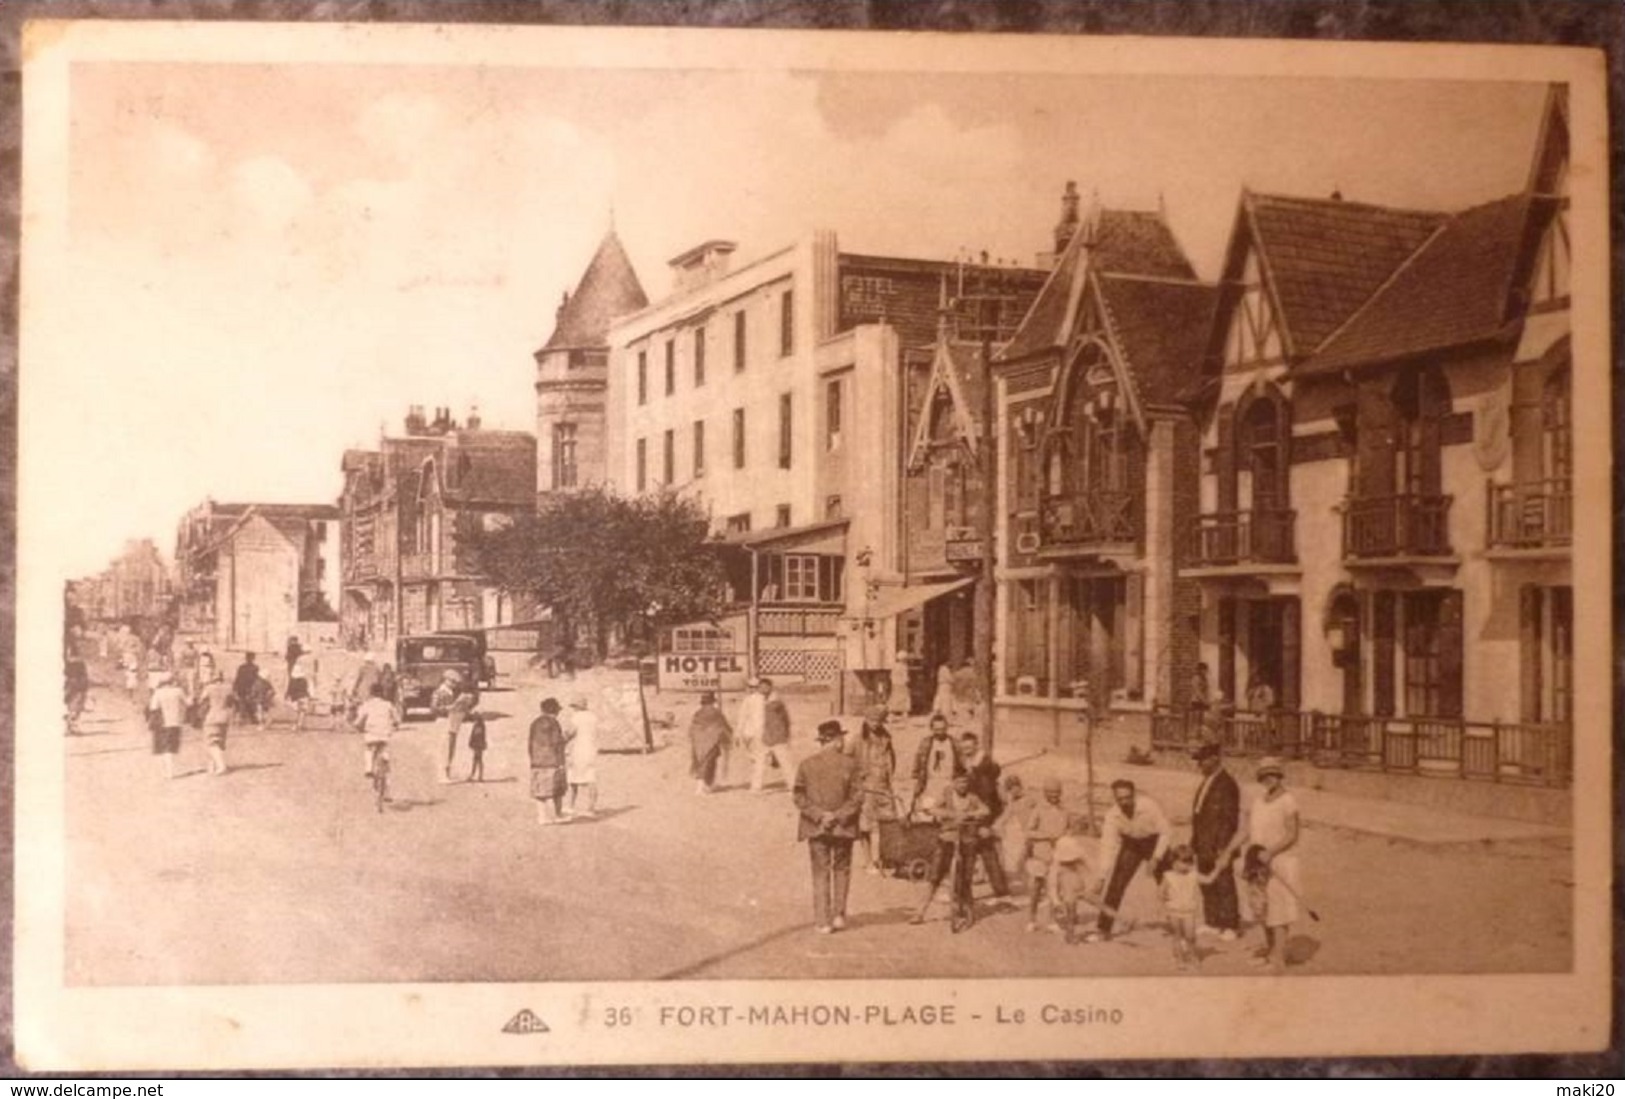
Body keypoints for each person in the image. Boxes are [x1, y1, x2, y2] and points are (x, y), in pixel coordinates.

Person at [791, 719, 864, 934]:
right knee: (841, 869)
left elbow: (798, 796)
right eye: (841, 737)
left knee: (820, 872)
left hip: (816, 826)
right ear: (836, 740)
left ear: (822, 741)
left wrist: (820, 815)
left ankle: (823, 921)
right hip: (843, 827)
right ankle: (839, 914)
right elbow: (858, 796)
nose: (843, 741)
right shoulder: (851, 764)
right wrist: (838, 815)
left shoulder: (806, 764)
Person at [1234, 756, 1303, 974]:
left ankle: (1279, 959)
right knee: (1261, 909)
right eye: (1264, 776)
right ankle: (1271, 951)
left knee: (1279, 911)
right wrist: (1230, 851)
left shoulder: (1288, 800)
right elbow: (1247, 831)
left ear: (1280, 776)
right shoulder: (1258, 801)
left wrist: (1270, 852)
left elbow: (1292, 834)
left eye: (1272, 774)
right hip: (1257, 862)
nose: (1268, 779)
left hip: (1280, 861)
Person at [1087, 779, 1171, 943]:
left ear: (1134, 794)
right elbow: (1108, 846)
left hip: (1155, 841)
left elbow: (1165, 832)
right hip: (1131, 844)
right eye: (1120, 799)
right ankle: (1103, 929)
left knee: (1170, 883)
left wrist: (1156, 858)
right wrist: (1101, 877)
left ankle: (1180, 924)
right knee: (1116, 884)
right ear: (1115, 798)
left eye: (1128, 797)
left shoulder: (1149, 806)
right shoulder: (1112, 815)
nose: (1125, 802)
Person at [909, 770, 989, 925]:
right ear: (953, 782)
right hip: (947, 839)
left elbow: (985, 810)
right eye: (959, 782)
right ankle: (920, 912)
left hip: (966, 840)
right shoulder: (947, 794)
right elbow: (932, 809)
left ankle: (969, 910)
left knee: (966, 877)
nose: (962, 785)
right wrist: (950, 814)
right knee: (935, 876)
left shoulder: (972, 798)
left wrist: (971, 814)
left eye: (965, 782)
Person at [1189, 740, 1242, 941]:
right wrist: (1194, 842)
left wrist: (1223, 847)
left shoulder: (1227, 784)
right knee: (1206, 883)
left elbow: (1229, 819)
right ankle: (1212, 921)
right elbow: (1198, 816)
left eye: (1202, 761)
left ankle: (1230, 924)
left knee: (1224, 882)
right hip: (1202, 843)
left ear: (1214, 759)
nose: (1199, 765)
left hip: (1219, 845)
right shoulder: (1206, 781)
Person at [958, 733, 1010, 899]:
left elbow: (988, 794)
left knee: (983, 847)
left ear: (976, 746)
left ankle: (997, 890)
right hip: (977, 807)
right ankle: (999, 888)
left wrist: (985, 821)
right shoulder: (968, 761)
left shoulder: (984, 765)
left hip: (987, 809)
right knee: (985, 849)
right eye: (964, 747)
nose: (966, 750)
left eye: (969, 747)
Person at [849, 706, 897, 873]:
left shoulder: (886, 738)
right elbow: (847, 762)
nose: (875, 724)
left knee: (887, 824)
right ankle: (868, 860)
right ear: (866, 720)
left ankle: (884, 858)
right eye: (871, 720)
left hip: (884, 787)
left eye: (878, 721)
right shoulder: (857, 740)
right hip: (866, 789)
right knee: (865, 826)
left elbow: (892, 760)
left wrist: (890, 780)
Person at [1023, 777, 1067, 931]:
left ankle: (1052, 921)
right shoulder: (1039, 809)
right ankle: (1032, 919)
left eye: (1057, 792)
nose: (1055, 795)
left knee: (1055, 888)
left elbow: (1069, 828)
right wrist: (1046, 835)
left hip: (1059, 855)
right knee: (1036, 887)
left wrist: (1065, 837)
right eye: (1051, 792)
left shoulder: (1064, 809)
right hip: (1040, 853)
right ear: (1045, 793)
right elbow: (1029, 831)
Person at [1049, 813, 1101, 943]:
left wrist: (1097, 881)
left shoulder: (1077, 850)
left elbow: (1091, 865)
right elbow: (1052, 883)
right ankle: (1070, 934)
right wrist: (1055, 900)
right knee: (1070, 909)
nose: (1070, 861)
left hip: (1077, 883)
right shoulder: (1057, 863)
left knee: (1091, 903)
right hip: (1066, 886)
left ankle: (1120, 919)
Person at [527, 698, 571, 826]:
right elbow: (557, 742)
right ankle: (558, 814)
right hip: (553, 761)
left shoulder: (534, 723)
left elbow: (530, 743)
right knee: (558, 789)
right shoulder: (554, 723)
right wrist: (567, 738)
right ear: (554, 711)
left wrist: (533, 758)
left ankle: (542, 816)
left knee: (540, 791)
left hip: (537, 761)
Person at [1161, 844, 1204, 970]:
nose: (1187, 865)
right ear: (1174, 862)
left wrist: (1217, 870)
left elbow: (1208, 880)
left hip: (1189, 911)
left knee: (1190, 936)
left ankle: (1191, 954)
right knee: (1177, 935)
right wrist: (1164, 898)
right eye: (1184, 862)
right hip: (1174, 910)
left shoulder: (1193, 875)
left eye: (1190, 862)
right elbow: (1161, 891)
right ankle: (1179, 958)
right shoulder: (1168, 876)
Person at [911, 713, 963, 818]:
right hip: (931, 784)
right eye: (936, 729)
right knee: (926, 813)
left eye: (942, 729)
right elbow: (918, 763)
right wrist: (917, 781)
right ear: (932, 729)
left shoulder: (954, 743)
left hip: (949, 784)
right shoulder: (925, 743)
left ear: (947, 728)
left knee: (947, 815)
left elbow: (962, 765)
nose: (940, 732)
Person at [432, 670, 478, 784]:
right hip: (443, 721)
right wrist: (450, 707)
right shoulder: (439, 692)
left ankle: (448, 772)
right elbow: (433, 708)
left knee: (451, 747)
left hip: (453, 720)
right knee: (444, 748)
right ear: (445, 680)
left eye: (455, 682)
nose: (454, 684)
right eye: (452, 681)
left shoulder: (452, 693)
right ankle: (441, 774)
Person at [750, 679, 794, 794]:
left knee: (785, 762)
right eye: (760, 687)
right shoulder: (759, 700)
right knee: (759, 763)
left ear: (770, 687)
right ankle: (756, 787)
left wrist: (786, 734)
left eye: (765, 687)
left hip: (777, 736)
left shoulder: (776, 701)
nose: (762, 689)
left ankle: (793, 786)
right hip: (765, 736)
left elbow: (785, 720)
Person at [687, 691, 733, 794]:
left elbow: (692, 728)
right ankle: (702, 786)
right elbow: (724, 725)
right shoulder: (716, 712)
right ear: (713, 701)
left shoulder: (698, 713)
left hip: (698, 742)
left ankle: (705, 786)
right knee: (709, 763)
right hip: (712, 741)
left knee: (700, 762)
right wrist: (730, 734)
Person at [354, 680, 398, 784]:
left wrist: (358, 727)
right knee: (385, 751)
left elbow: (359, 721)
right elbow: (396, 719)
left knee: (369, 749)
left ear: (371, 693)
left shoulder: (367, 705)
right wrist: (395, 725)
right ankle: (387, 788)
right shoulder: (388, 705)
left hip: (371, 733)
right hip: (384, 734)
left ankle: (368, 768)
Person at [146, 670, 187, 779]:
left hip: (163, 723)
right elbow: (188, 703)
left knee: (163, 748)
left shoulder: (158, 692)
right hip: (176, 722)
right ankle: (170, 771)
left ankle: (167, 771)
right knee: (171, 748)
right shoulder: (179, 691)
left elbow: (153, 708)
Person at [565, 695, 600, 818]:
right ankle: (591, 808)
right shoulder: (593, 717)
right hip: (591, 749)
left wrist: (563, 740)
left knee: (573, 778)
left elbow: (571, 732)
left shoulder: (576, 717)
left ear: (576, 706)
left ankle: (571, 805)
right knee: (591, 779)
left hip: (578, 749)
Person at [197, 669, 236, 776]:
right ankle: (212, 766)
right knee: (219, 742)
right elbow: (233, 701)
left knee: (211, 743)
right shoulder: (228, 688)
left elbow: (201, 701)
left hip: (212, 716)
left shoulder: (208, 688)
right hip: (225, 716)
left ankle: (221, 765)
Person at [232, 653, 263, 727]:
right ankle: (248, 718)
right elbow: (256, 678)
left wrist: (235, 687)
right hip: (248, 687)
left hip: (243, 687)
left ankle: (244, 719)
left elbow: (238, 678)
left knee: (244, 703)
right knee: (248, 702)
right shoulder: (255, 667)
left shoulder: (242, 667)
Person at [286, 651, 314, 731]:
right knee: (303, 711)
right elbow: (307, 687)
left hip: (295, 697)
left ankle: (295, 725)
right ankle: (300, 724)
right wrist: (310, 695)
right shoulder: (304, 680)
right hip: (304, 696)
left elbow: (290, 688)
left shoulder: (293, 680)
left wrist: (288, 695)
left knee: (296, 711)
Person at [64, 652, 90, 734]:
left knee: (70, 708)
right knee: (75, 708)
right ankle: (71, 727)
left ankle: (69, 727)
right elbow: (84, 677)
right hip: (77, 688)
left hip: (71, 687)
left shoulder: (68, 665)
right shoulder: (79, 664)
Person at [1187, 662, 1212, 739]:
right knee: (1196, 719)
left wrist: (1208, 699)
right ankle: (1193, 736)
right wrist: (1204, 700)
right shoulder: (1196, 678)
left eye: (1206, 670)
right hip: (1196, 702)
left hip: (1202, 702)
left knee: (1202, 720)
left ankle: (1200, 736)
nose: (1206, 672)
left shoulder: (1204, 679)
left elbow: (1206, 690)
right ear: (1200, 670)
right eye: (1204, 670)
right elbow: (1197, 691)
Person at [466, 714, 488, 782]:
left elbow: (475, 735)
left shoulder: (478, 725)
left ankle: (475, 775)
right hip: (479, 745)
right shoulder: (480, 725)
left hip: (477, 745)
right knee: (478, 760)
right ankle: (478, 776)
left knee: (477, 760)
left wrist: (471, 742)